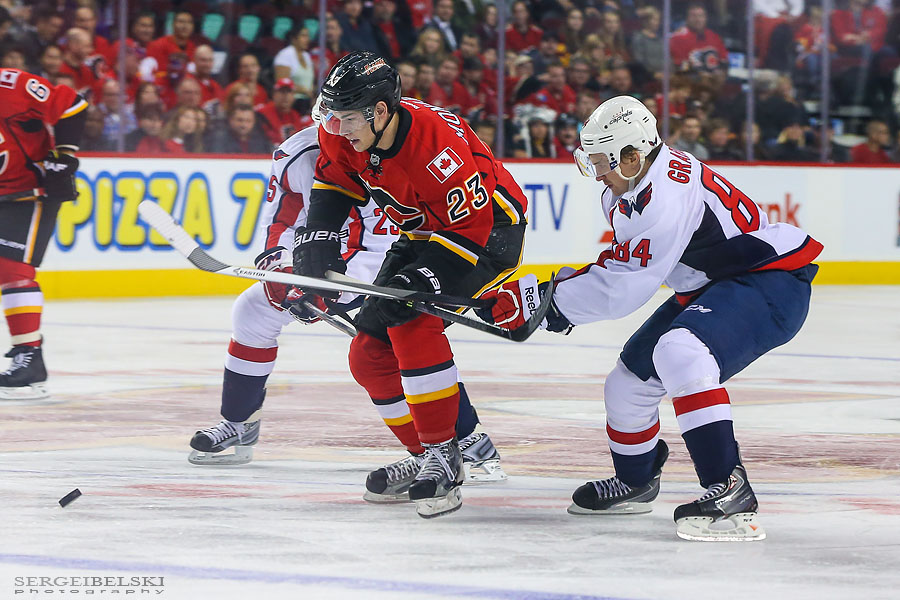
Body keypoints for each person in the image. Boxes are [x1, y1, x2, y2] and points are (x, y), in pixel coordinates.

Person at [478, 96, 823, 541]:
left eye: (602, 162)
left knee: (680, 350)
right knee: (626, 384)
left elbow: (627, 285)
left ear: (633, 155)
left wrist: (548, 304)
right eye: (591, 162)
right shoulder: (628, 188)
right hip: (711, 283)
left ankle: (730, 489)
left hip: (769, 282)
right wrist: (546, 297)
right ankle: (636, 481)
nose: (597, 174)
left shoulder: (666, 195)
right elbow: (623, 264)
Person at [188, 122, 509, 489]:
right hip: (332, 256)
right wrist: (281, 265)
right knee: (253, 310)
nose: (341, 133)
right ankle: (239, 422)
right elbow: (284, 216)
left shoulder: (391, 145)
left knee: (403, 335)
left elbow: (394, 229)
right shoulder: (299, 153)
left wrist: (320, 283)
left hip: (389, 252)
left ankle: (466, 439)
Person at [294, 52, 528, 518]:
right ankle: (425, 457)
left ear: (381, 112)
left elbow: (473, 228)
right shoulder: (342, 129)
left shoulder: (439, 149)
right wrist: (317, 238)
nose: (336, 129)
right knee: (366, 356)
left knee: (413, 324)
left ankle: (444, 456)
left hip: (489, 234)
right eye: (332, 117)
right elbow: (335, 183)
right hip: (422, 233)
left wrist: (423, 278)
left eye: (346, 119)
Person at [0, 68, 86, 400]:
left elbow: (73, 104)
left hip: (31, 191)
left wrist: (64, 156)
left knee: (12, 270)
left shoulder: (11, 84)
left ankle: (29, 355)